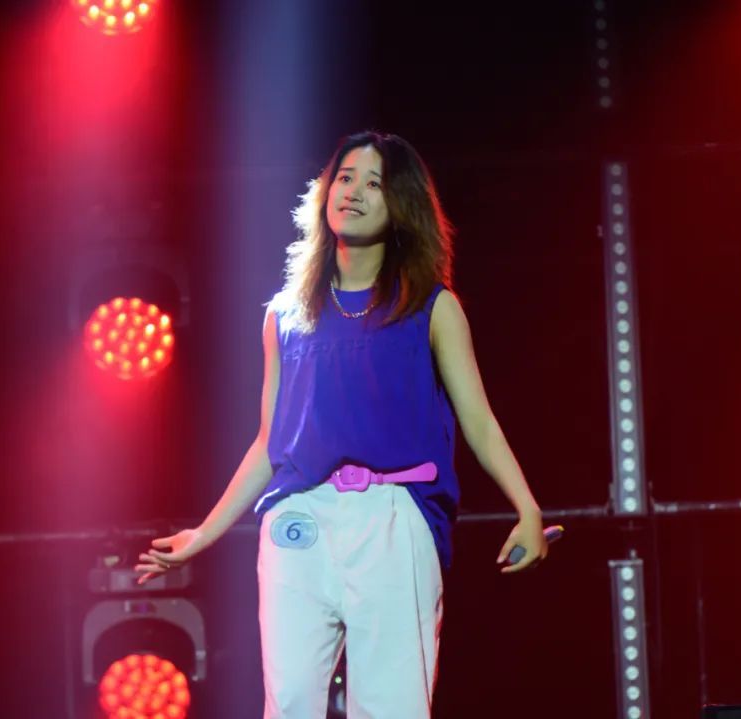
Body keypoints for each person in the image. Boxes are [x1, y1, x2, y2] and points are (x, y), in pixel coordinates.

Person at [135, 131, 547, 718]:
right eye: (345, 178)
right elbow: (270, 443)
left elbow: (479, 423)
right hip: (298, 519)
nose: (352, 191)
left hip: (394, 517)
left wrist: (527, 509)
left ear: (401, 205)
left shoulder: (431, 308)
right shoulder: (285, 315)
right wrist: (203, 534)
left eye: (373, 183)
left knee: (392, 707)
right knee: (290, 704)